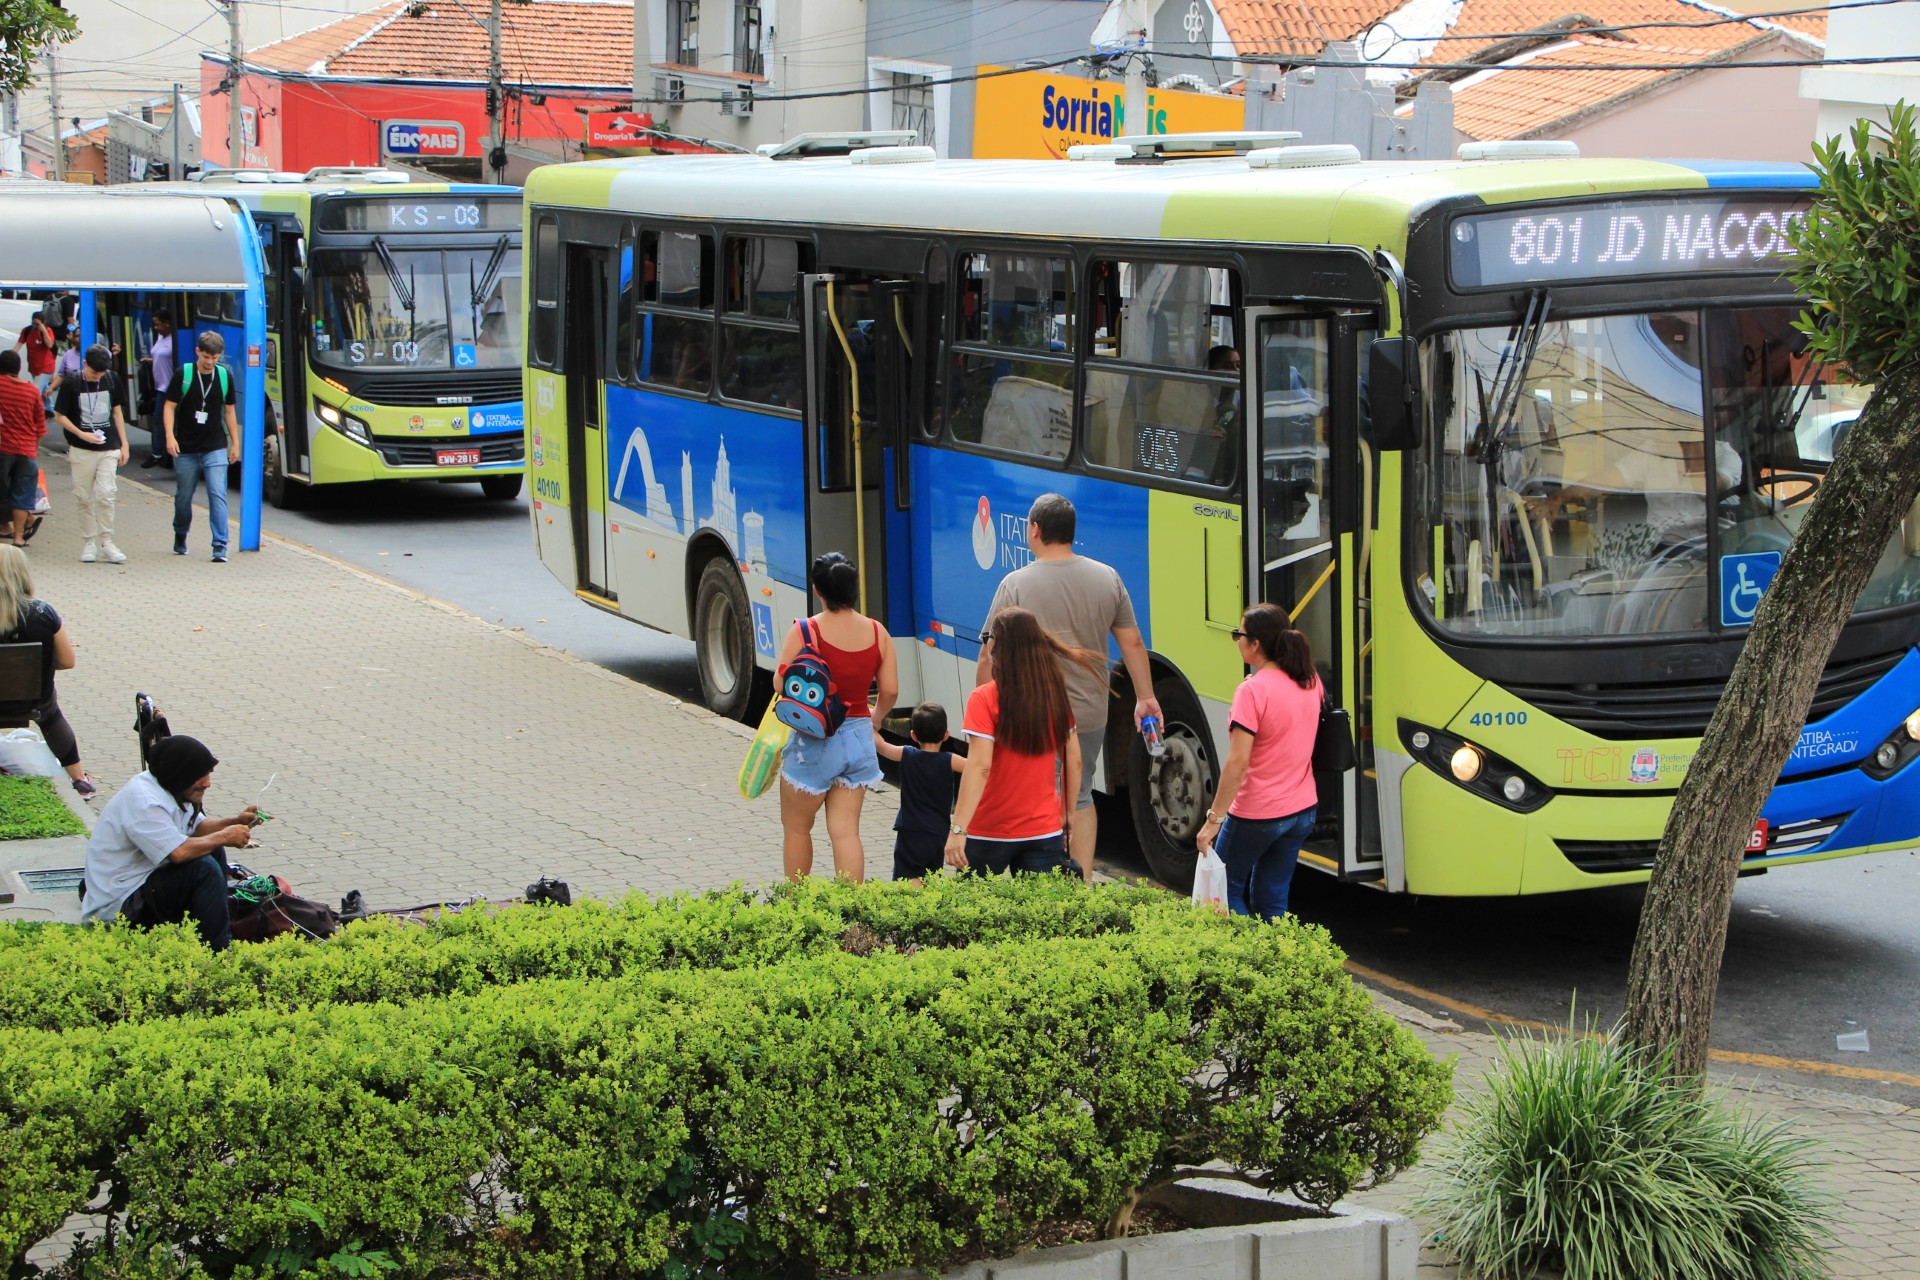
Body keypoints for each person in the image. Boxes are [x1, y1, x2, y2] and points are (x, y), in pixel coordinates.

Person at [977, 493, 1161, 881]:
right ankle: (1082, 882)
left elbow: (987, 656)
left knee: (1033, 795)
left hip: (1029, 715)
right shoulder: (1107, 577)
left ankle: (1041, 880)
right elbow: (1132, 643)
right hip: (1090, 712)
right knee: (1081, 793)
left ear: (1036, 530)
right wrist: (1146, 697)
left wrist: (983, 712)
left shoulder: (1015, 584)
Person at [947, 606, 1104, 877]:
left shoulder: (984, 698)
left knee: (976, 915)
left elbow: (980, 766)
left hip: (989, 829)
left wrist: (958, 829)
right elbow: (1074, 761)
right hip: (1044, 830)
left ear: (996, 646)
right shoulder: (1054, 696)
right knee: (1039, 915)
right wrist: (1067, 815)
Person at [777, 551, 898, 882]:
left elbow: (781, 682)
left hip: (813, 741)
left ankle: (798, 906)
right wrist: (876, 718)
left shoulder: (804, 632)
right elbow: (890, 690)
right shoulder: (877, 633)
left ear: (818, 590)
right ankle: (850, 916)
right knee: (846, 833)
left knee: (798, 828)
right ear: (855, 589)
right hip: (859, 737)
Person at [1197, 603, 1321, 922]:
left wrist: (1214, 818)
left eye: (1239, 634)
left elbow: (1238, 763)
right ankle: (1276, 964)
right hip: (1302, 810)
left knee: (1225, 892)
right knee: (1272, 900)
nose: (1237, 640)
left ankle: (1250, 964)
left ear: (1255, 644)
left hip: (1258, 813)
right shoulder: (1310, 680)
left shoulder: (1252, 691)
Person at [80, 734, 260, 951]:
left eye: (208, 774)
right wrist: (224, 836)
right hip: (119, 907)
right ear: (179, 775)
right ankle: (218, 951)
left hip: (145, 882)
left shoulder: (171, 788)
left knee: (213, 851)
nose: (207, 784)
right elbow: (179, 853)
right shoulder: (146, 802)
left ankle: (213, 928)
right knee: (203, 868)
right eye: (200, 776)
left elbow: (196, 829)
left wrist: (234, 822)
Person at [0, 545, 99, 796]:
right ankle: (79, 780)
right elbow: (67, 661)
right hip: (34, 703)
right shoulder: (43, 613)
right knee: (52, 714)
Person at [162, 331, 239, 562]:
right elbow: (168, 407)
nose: (209, 362)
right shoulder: (183, 374)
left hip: (214, 446)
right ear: (198, 352)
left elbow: (229, 410)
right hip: (186, 447)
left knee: (217, 493)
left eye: (214, 358)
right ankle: (180, 534)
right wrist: (169, 437)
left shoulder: (224, 376)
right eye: (206, 356)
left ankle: (220, 544)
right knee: (183, 497)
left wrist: (235, 443)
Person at [52, 344, 130, 565]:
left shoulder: (112, 379)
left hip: (109, 446)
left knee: (106, 493)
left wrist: (124, 444)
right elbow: (59, 415)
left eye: (102, 373)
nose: (98, 377)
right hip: (82, 448)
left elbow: (117, 412)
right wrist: (81, 434)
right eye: (95, 373)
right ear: (85, 364)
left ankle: (106, 540)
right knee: (83, 495)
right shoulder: (72, 383)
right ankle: (89, 541)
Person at [875, 701, 965, 881]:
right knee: (931, 876)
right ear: (946, 735)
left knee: (909, 874)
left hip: (911, 829)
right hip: (938, 831)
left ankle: (915, 904)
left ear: (913, 735)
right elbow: (979, 767)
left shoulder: (907, 754)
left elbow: (883, 746)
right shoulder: (950, 760)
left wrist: (870, 726)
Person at [0, 352, 46, 548]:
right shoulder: (32, 391)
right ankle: (19, 537)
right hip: (27, 451)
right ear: (19, 368)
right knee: (23, 495)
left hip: (3, 449)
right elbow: (41, 427)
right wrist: (32, 449)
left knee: (3, 492)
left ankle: (8, 525)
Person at [140, 309, 176, 468]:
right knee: (158, 419)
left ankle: (158, 453)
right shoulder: (161, 337)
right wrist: (150, 360)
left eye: (157, 324)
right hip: (160, 386)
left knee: (160, 419)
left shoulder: (175, 340)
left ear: (167, 324)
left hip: (170, 386)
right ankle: (162, 453)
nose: (155, 328)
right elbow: (159, 354)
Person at [14, 310, 59, 407]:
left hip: (46, 367)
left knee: (35, 389)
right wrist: (10, 355)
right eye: (33, 323)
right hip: (34, 365)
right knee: (43, 388)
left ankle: (31, 410)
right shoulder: (26, 331)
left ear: (42, 323)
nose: (34, 326)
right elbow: (19, 344)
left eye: (37, 324)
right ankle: (49, 408)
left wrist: (43, 331)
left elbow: (50, 345)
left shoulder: (47, 331)